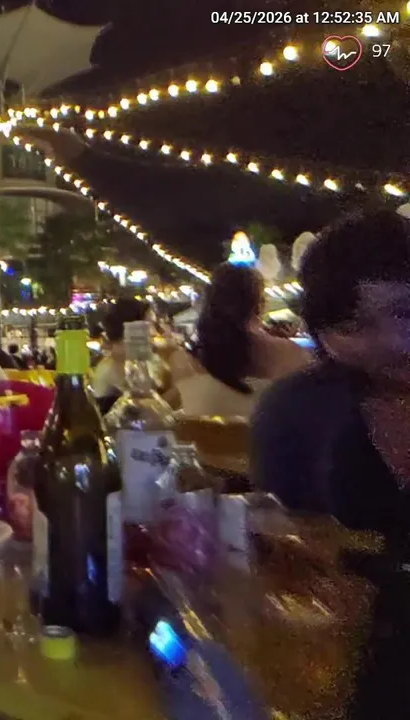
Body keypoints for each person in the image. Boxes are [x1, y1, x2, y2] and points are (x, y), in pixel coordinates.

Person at [251, 209, 410, 717]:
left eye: (405, 312)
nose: (395, 343)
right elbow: (286, 553)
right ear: (323, 333)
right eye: (356, 326)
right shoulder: (294, 412)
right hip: (354, 661)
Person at [169, 263, 310, 418]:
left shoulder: (182, 363)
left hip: (203, 433)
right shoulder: (293, 355)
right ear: (260, 304)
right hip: (267, 433)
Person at [90, 297, 150, 399]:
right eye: (147, 326)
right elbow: (146, 404)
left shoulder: (128, 359)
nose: (151, 332)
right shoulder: (119, 363)